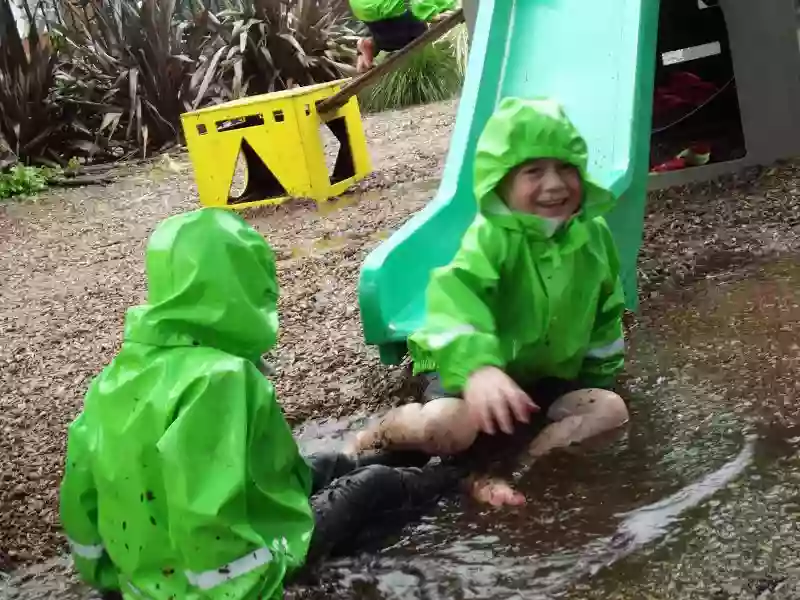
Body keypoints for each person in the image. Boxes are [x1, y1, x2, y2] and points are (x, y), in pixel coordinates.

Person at [59, 208, 459, 600]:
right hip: (234, 577)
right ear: (239, 286)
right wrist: (251, 584)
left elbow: (81, 491)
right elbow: (206, 508)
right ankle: (462, 472)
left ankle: (412, 453)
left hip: (147, 578)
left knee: (325, 466)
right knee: (375, 486)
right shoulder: (218, 380)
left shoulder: (114, 378)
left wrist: (109, 579)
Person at [346, 98, 631, 507]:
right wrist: (479, 370)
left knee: (609, 411)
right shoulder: (492, 238)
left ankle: (520, 467)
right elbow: (454, 298)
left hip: (545, 374)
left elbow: (606, 314)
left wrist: (598, 380)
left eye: (566, 168)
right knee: (448, 427)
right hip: (463, 366)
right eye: (533, 172)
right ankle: (380, 434)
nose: (554, 185)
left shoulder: (593, 236)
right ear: (502, 182)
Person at [349, 0, 456, 73]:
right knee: (419, 33)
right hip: (385, 6)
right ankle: (372, 44)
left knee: (389, 31)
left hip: (362, 8)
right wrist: (432, 15)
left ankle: (369, 45)